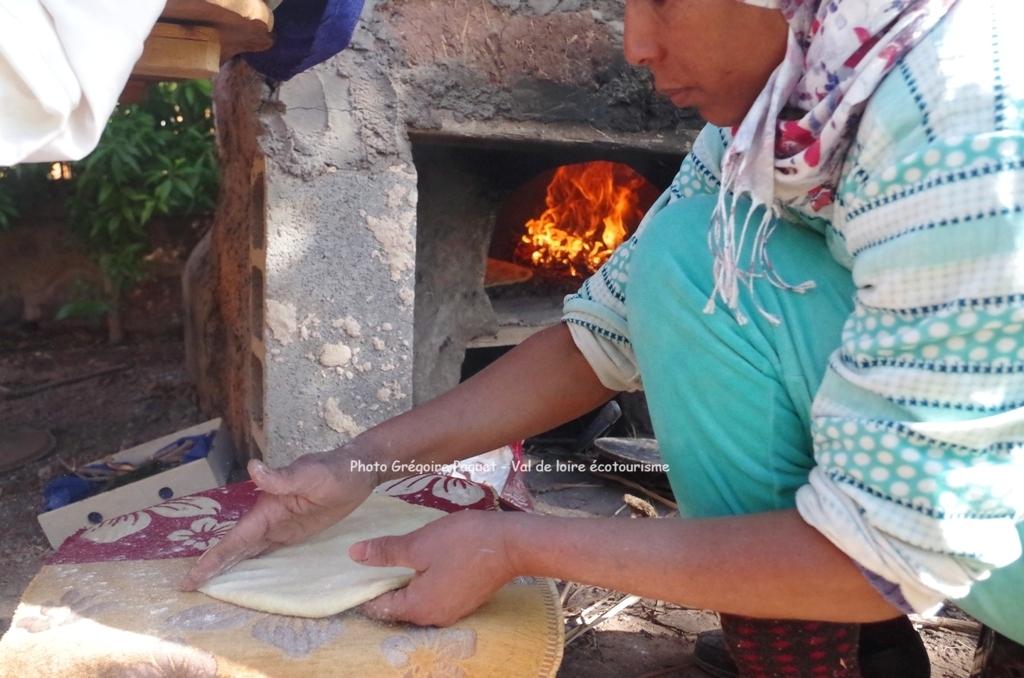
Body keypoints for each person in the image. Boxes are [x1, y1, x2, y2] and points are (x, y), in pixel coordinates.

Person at [184, 0, 1024, 674]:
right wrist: (355, 466)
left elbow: (886, 547)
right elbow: (604, 335)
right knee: (689, 258)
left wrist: (517, 542)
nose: (636, 43)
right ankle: (808, 651)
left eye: (663, 2)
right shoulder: (776, 109)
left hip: (953, 538)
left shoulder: (961, 118)